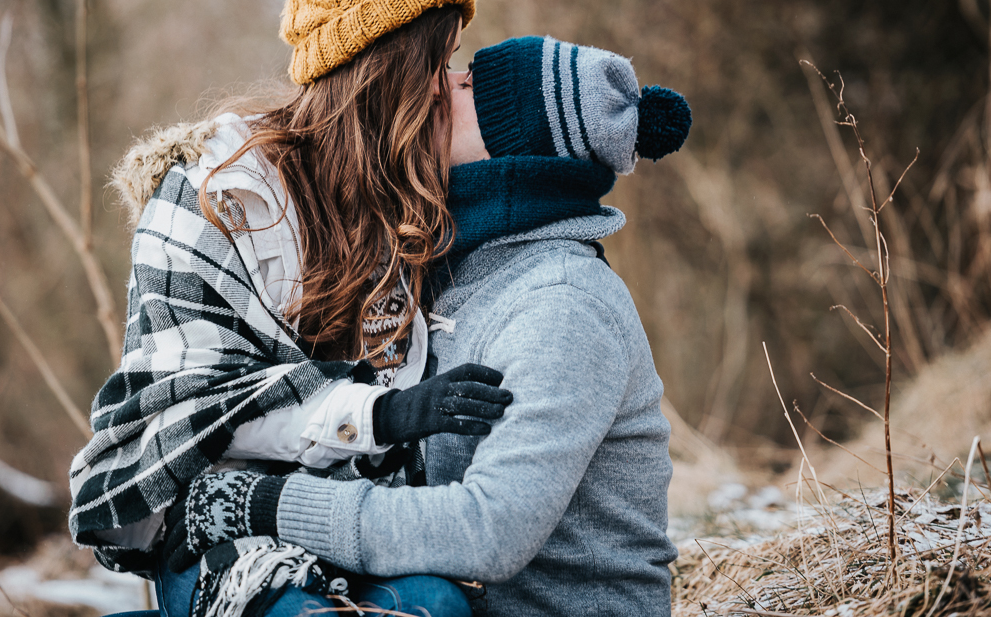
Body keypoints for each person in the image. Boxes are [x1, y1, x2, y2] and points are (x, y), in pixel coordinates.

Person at [67, 0, 511, 617]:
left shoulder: (411, 200)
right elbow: (200, 410)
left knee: (437, 605)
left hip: (347, 515)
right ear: (385, 72)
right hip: (215, 517)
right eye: (439, 61)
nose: (447, 85)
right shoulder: (215, 197)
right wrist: (383, 414)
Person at [164, 35, 693, 616]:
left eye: (468, 86)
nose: (440, 84)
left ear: (514, 149)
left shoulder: (562, 304)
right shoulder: (455, 276)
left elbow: (485, 532)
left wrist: (264, 504)